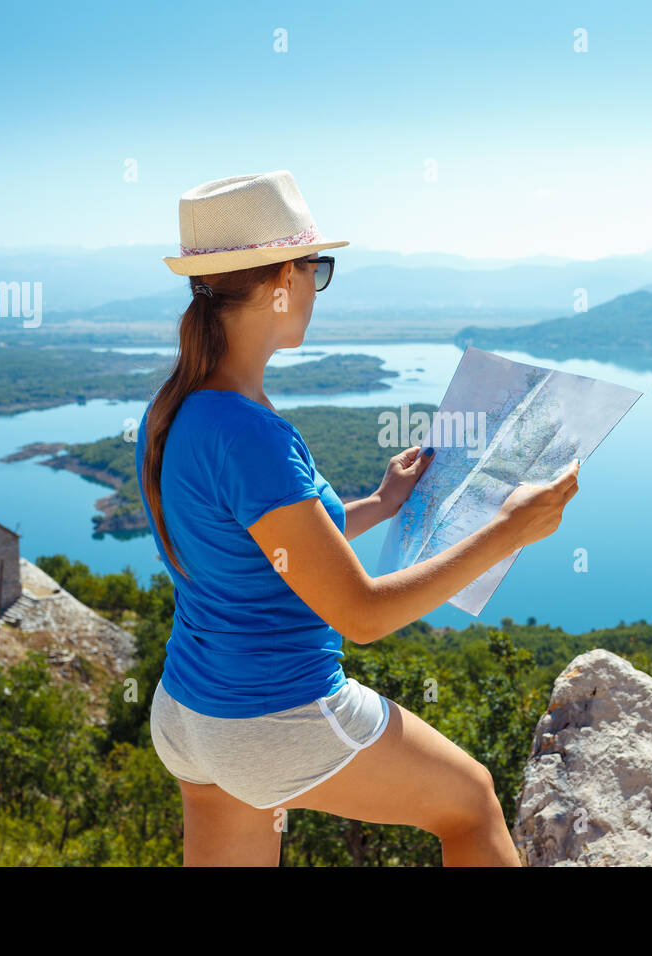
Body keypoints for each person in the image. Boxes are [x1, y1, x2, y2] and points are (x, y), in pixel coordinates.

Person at [137, 171, 579, 867]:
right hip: (275, 715)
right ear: (285, 275)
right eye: (318, 268)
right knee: (470, 804)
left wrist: (380, 503)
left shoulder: (177, 410)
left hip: (189, 715)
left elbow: (264, 552)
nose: (317, 285)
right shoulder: (254, 433)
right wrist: (511, 530)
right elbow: (363, 616)